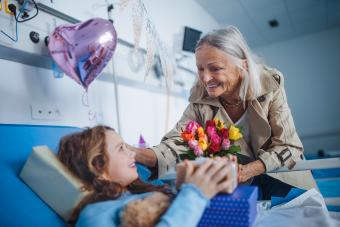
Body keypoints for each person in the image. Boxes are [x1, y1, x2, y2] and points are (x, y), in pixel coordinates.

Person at [132, 26, 317, 200]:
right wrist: (136, 153)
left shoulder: (269, 87)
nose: (205, 78)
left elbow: (289, 146)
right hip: (240, 186)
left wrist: (248, 170)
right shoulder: (200, 99)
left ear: (242, 66)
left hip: (282, 177)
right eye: (200, 68)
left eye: (215, 68)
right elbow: (178, 141)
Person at [58, 125, 235, 226]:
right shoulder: (94, 216)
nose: (132, 154)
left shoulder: (137, 192)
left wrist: (180, 187)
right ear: (98, 167)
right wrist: (194, 194)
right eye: (121, 148)